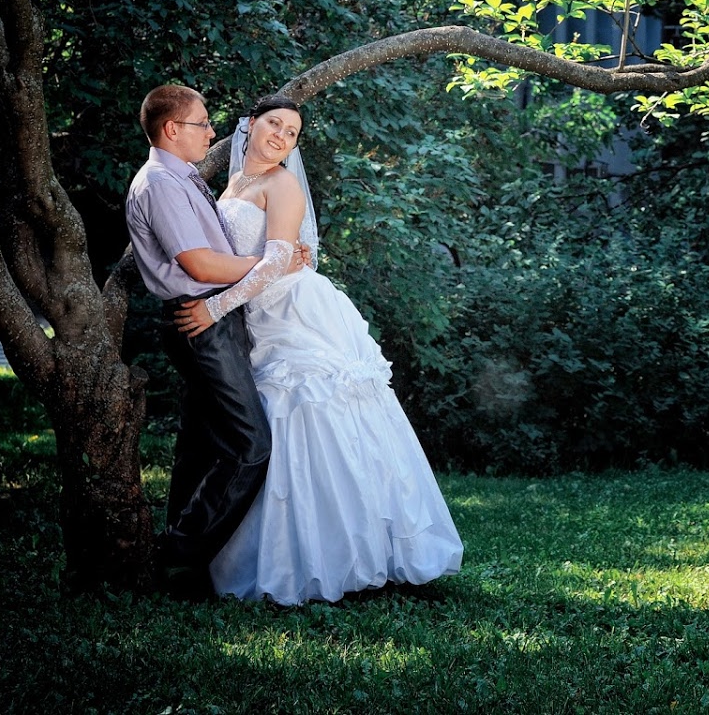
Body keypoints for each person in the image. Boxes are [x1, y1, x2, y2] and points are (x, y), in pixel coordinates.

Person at [173, 94, 462, 604]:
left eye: (292, 132)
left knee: (306, 411)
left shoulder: (282, 184)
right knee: (267, 423)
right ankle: (275, 554)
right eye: (275, 124)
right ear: (250, 125)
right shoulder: (235, 182)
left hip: (294, 312)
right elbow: (244, 256)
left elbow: (277, 261)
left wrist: (213, 310)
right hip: (257, 311)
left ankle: (346, 556)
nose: (282, 137)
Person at [124, 84, 307, 597]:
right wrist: (275, 261)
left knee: (201, 442)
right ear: (171, 130)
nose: (212, 131)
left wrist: (275, 263)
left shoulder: (188, 180)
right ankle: (178, 557)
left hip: (217, 316)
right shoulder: (161, 182)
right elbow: (200, 264)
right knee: (252, 444)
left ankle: (181, 559)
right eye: (203, 123)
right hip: (200, 319)